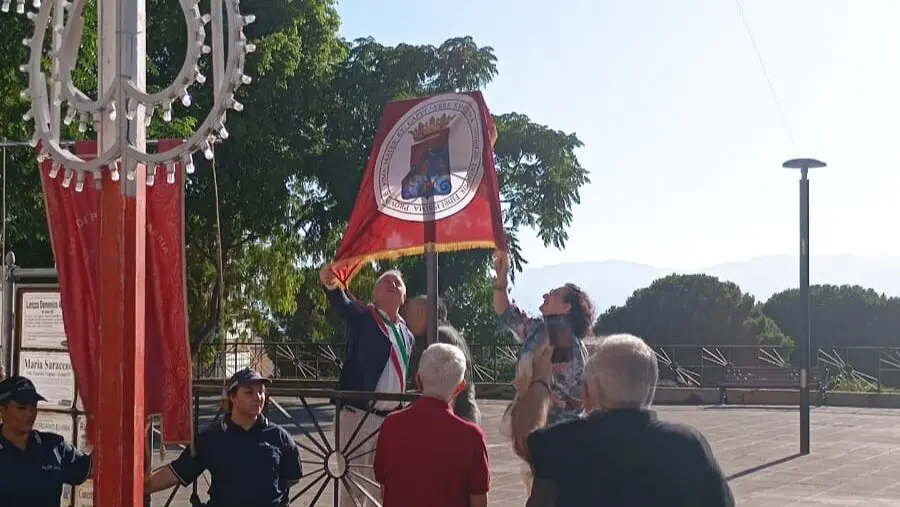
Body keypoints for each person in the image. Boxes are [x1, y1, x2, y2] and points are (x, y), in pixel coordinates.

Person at [522, 334, 735, 507]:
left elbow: (524, 438)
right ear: (649, 388)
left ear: (591, 387)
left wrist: (540, 380)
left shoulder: (558, 442)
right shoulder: (688, 444)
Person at [319, 266, 415, 507]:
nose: (393, 285)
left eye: (398, 283)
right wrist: (330, 284)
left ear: (404, 296)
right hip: (358, 414)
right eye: (386, 282)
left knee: (380, 483)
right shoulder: (364, 317)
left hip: (390, 419)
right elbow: (342, 304)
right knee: (354, 482)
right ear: (375, 294)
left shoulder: (407, 333)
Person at [145, 368, 302, 507]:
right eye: (249, 392)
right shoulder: (211, 439)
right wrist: (139, 487)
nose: (257, 397)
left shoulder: (280, 437)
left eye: (261, 391)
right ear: (233, 398)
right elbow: (177, 472)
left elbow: (291, 478)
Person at [374, 343, 490, 507]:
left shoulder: (391, 424)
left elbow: (385, 488)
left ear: (418, 379)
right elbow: (479, 501)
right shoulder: (471, 436)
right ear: (460, 387)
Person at [0, 376, 92, 507]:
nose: (29, 413)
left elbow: (90, 467)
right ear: (3, 410)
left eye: (33, 406)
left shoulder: (54, 447)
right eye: (22, 408)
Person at [404, 295, 480, 424]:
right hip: (461, 416)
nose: (406, 318)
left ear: (423, 312)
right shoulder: (447, 333)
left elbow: (436, 384)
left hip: (454, 419)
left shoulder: (439, 336)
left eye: (409, 312)